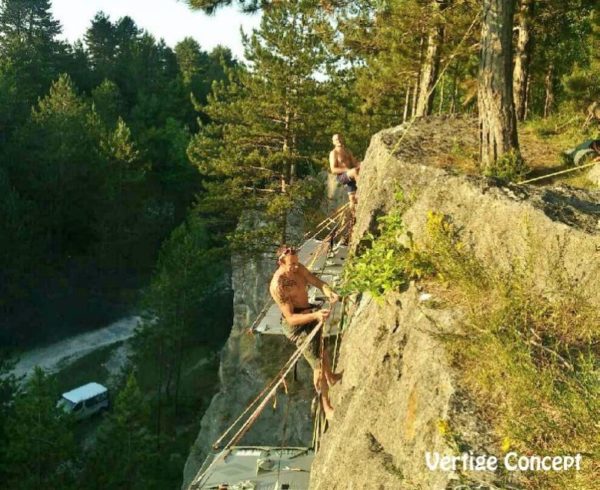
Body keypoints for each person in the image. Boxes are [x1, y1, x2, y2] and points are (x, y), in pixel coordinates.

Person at [269, 245, 342, 420]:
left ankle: (331, 377)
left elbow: (316, 281)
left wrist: (328, 291)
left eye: (296, 262)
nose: (295, 266)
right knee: (317, 364)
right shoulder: (278, 285)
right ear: (280, 262)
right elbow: (291, 318)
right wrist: (316, 315)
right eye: (291, 264)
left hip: (309, 313)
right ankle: (326, 406)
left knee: (322, 349)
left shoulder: (298, 268)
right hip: (297, 327)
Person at [329, 134, 361, 209]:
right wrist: (347, 170)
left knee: (352, 199)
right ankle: (361, 188)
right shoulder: (333, 153)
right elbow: (333, 170)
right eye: (336, 139)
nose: (339, 140)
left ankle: (353, 217)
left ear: (342, 139)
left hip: (352, 175)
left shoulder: (348, 151)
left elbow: (354, 163)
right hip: (342, 176)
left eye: (340, 138)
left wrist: (361, 164)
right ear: (333, 142)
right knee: (353, 171)